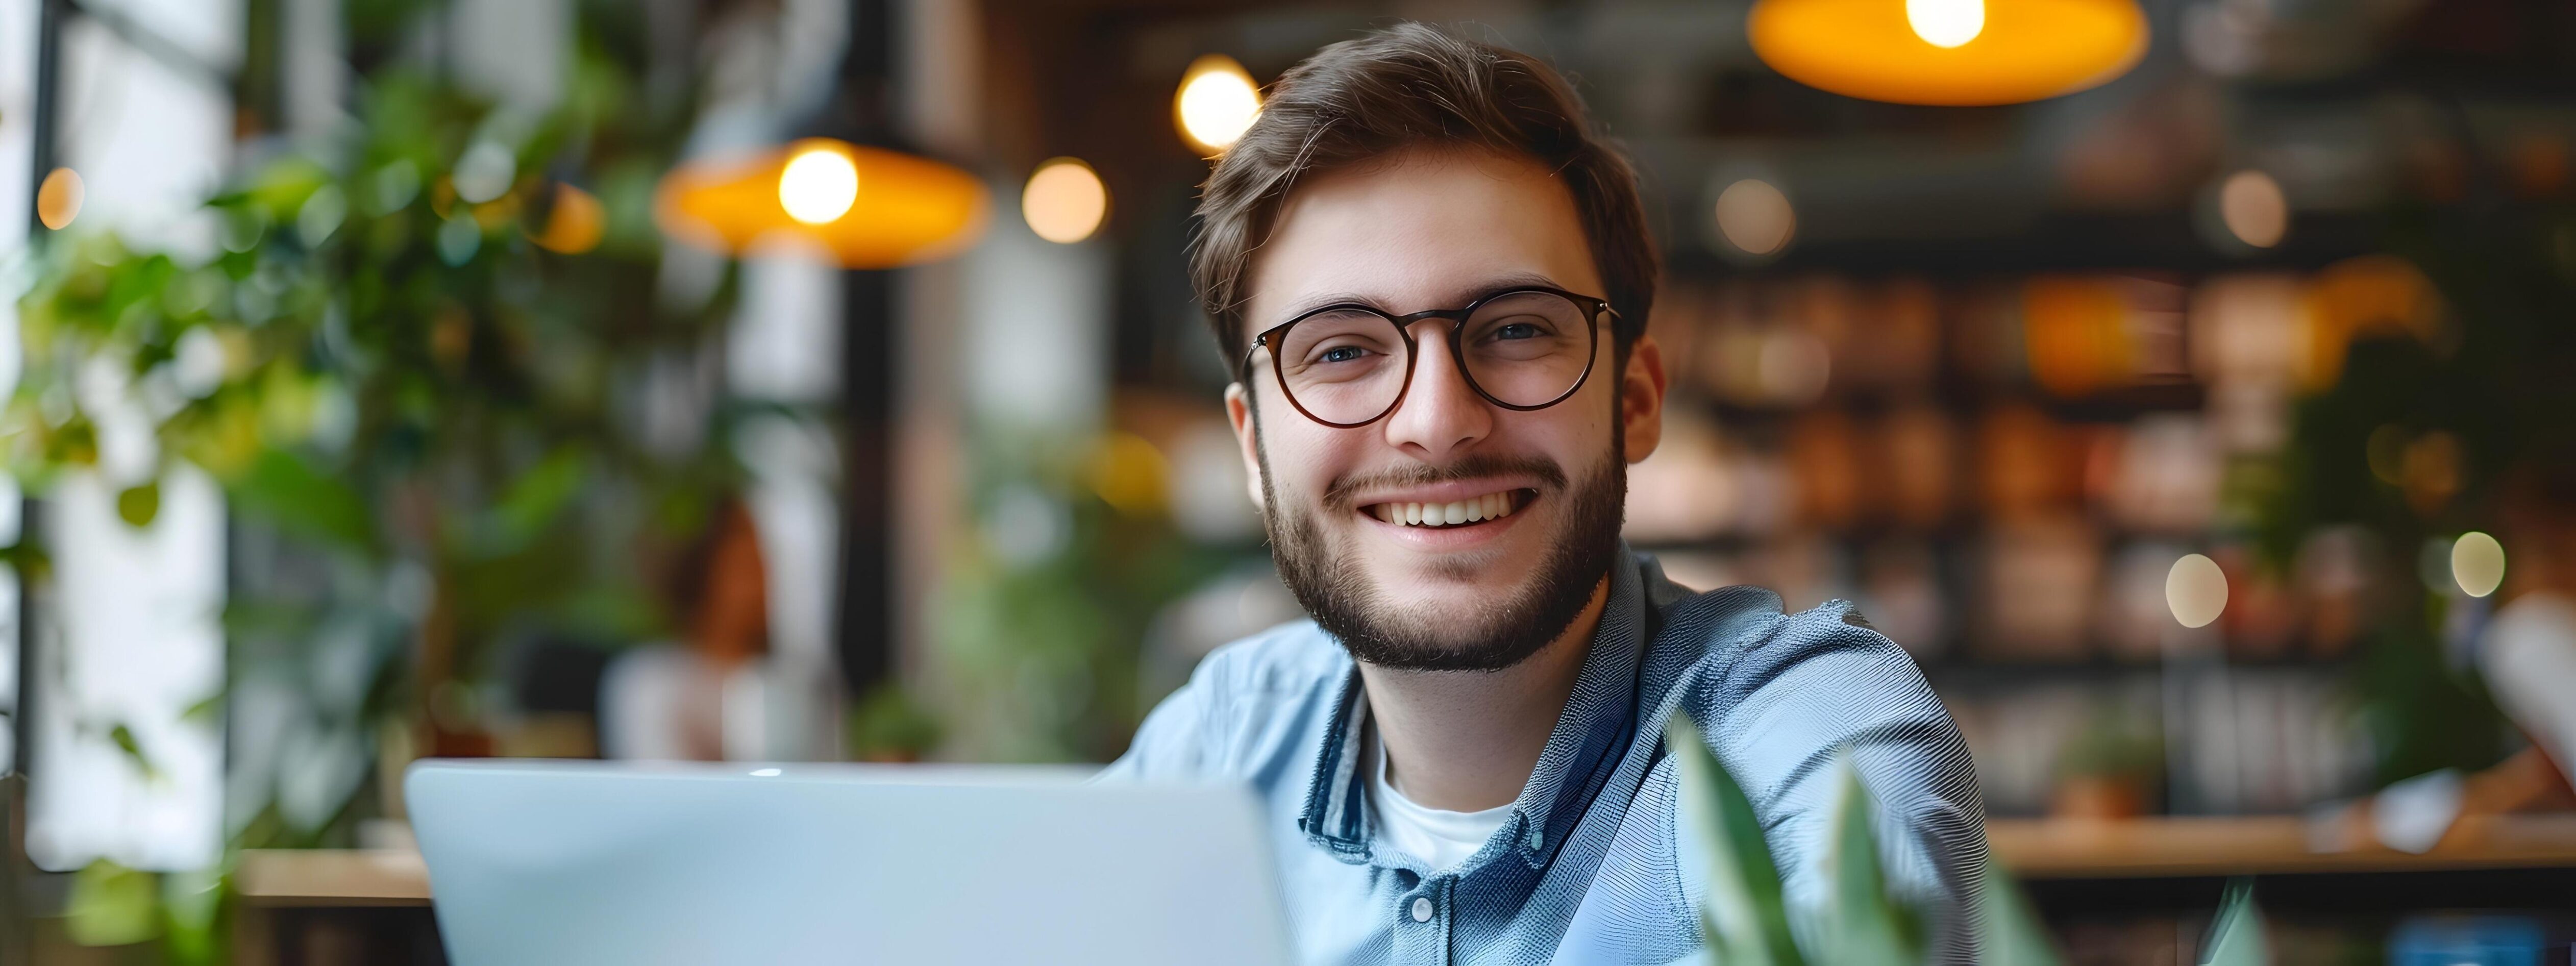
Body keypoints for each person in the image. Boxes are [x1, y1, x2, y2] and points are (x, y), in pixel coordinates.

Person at [1102, 23, 1988, 963]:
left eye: (1517, 329)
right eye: (1342, 350)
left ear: (1635, 397)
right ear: (1253, 443)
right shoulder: (1221, 742)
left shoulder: (1814, 738)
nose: (1437, 420)